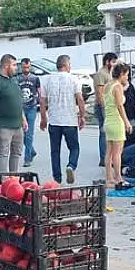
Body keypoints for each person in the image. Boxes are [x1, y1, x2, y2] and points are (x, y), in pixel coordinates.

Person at [39, 54, 85, 184]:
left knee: (55, 151)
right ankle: (71, 166)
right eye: (70, 64)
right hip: (69, 121)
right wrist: (82, 117)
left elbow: (42, 101)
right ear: (65, 65)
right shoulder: (73, 79)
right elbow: (80, 100)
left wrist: (43, 119)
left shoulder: (47, 80)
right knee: (74, 148)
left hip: (54, 121)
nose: (71, 66)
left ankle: (57, 179)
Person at [0, 54, 25, 173]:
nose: (16, 68)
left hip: (18, 125)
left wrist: (23, 119)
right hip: (3, 126)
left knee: (16, 153)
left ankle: (14, 180)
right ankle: (2, 181)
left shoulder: (13, 81)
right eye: (13, 65)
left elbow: (17, 101)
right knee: (3, 154)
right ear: (6, 66)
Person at [103, 64, 131, 189]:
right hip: (116, 122)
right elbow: (120, 106)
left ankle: (109, 178)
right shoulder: (118, 87)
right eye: (127, 75)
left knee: (108, 153)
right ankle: (118, 177)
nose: (127, 78)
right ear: (121, 74)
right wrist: (126, 122)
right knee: (117, 153)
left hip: (108, 121)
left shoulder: (108, 85)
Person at [93, 52, 118, 166]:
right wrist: (105, 110)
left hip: (109, 107)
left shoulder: (110, 74)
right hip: (102, 107)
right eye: (113, 62)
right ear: (107, 62)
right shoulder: (100, 74)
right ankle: (103, 158)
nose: (114, 64)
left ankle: (110, 157)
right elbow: (99, 94)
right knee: (104, 133)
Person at [16, 58, 41, 167]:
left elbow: (40, 92)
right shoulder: (17, 79)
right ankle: (32, 151)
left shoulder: (35, 78)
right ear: (21, 67)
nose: (26, 69)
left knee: (29, 134)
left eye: (28, 67)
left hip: (32, 108)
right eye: (24, 67)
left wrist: (42, 105)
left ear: (30, 66)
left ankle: (27, 158)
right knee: (22, 134)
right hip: (20, 109)